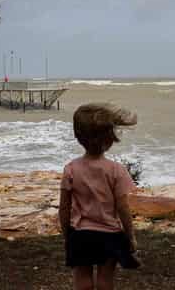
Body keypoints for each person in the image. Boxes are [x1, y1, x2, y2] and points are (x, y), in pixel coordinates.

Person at [59, 103, 140, 290]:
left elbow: (64, 207)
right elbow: (123, 208)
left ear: (78, 137)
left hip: (80, 234)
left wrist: (67, 234)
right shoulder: (116, 170)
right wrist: (130, 235)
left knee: (82, 277)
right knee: (105, 278)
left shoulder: (71, 169)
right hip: (109, 234)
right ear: (109, 139)